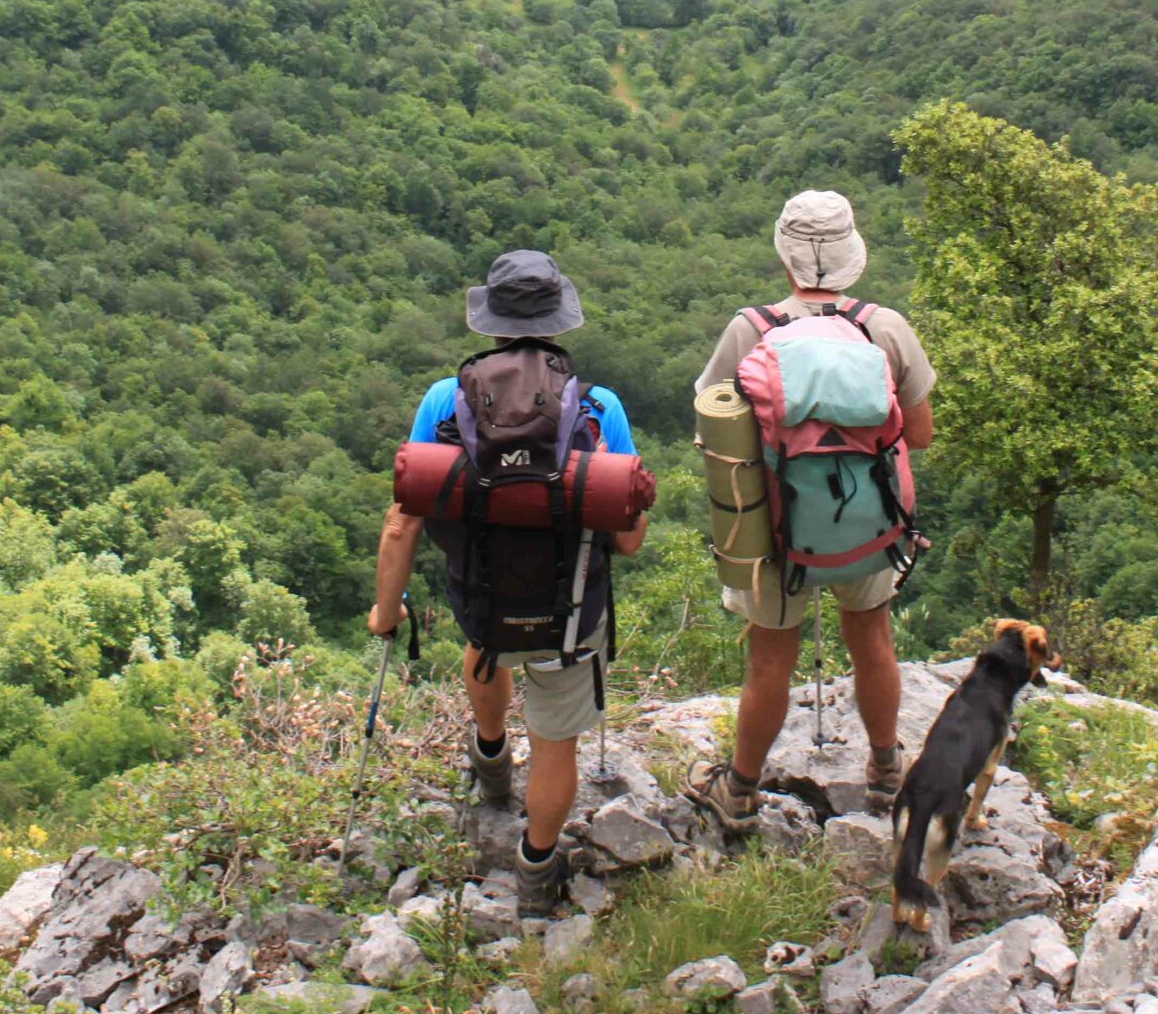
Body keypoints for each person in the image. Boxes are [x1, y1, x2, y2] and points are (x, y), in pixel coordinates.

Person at [368, 249, 645, 914]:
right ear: (560, 322)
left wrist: (386, 608)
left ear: (489, 323)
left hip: (483, 598)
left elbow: (403, 521)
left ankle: (490, 758)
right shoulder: (599, 406)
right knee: (555, 745)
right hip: (569, 612)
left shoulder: (445, 399)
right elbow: (629, 537)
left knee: (484, 646)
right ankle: (535, 872)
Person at [687, 190, 935, 837]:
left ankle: (740, 790)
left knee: (771, 659)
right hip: (870, 524)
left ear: (785, 256)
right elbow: (921, 433)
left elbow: (713, 432)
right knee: (871, 639)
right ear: (851, 255)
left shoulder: (751, 330)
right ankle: (886, 772)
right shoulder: (885, 328)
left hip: (776, 533)